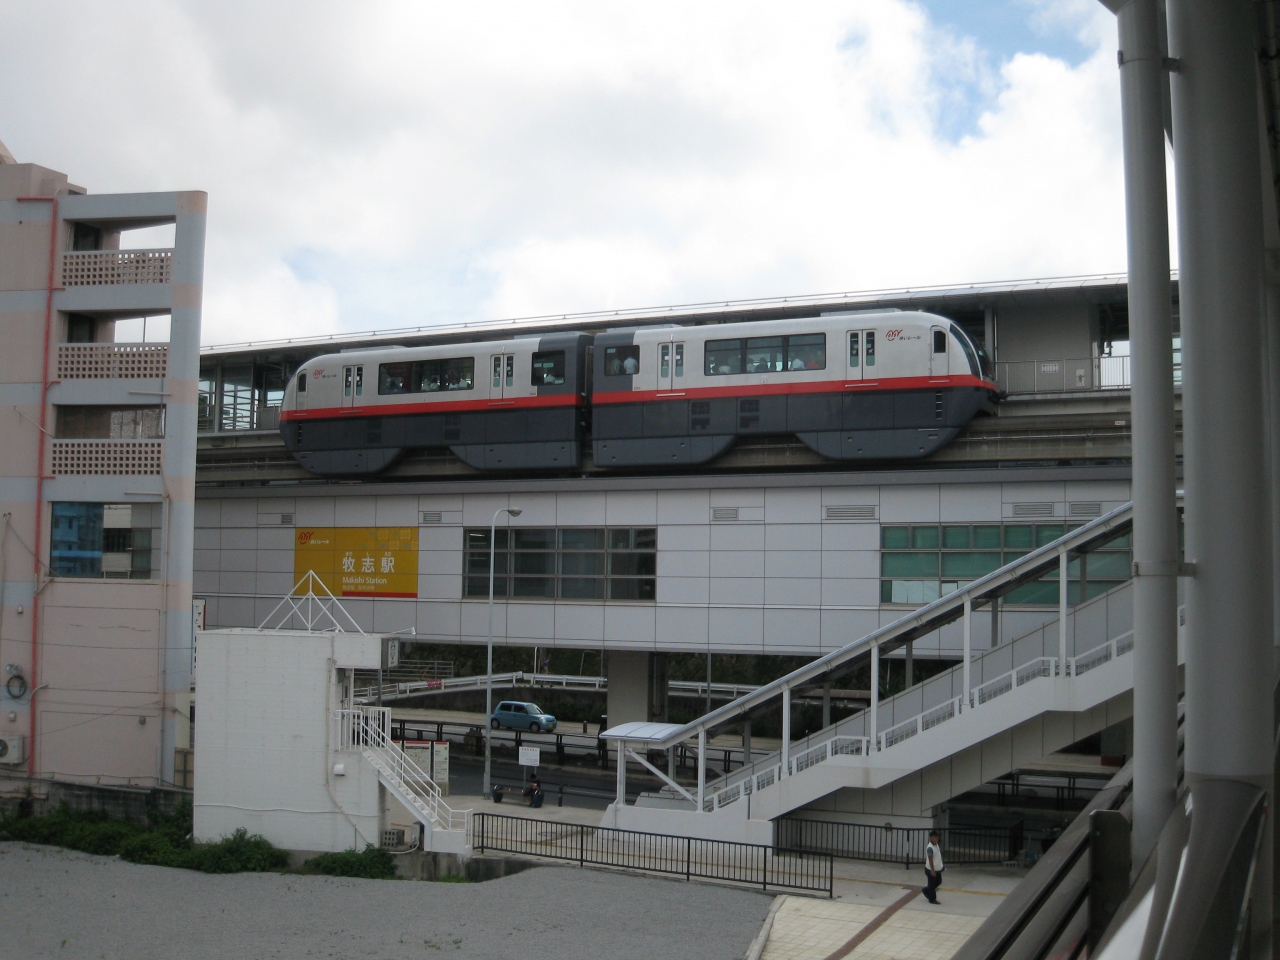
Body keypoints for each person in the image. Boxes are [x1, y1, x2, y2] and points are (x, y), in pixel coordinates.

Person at [924, 830, 944, 905]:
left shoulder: (936, 844)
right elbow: (930, 859)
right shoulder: (930, 848)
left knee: (938, 881)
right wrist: (932, 870)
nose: (938, 838)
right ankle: (932, 899)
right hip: (931, 869)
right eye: (936, 837)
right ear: (931, 837)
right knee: (932, 885)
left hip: (937, 869)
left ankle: (926, 890)